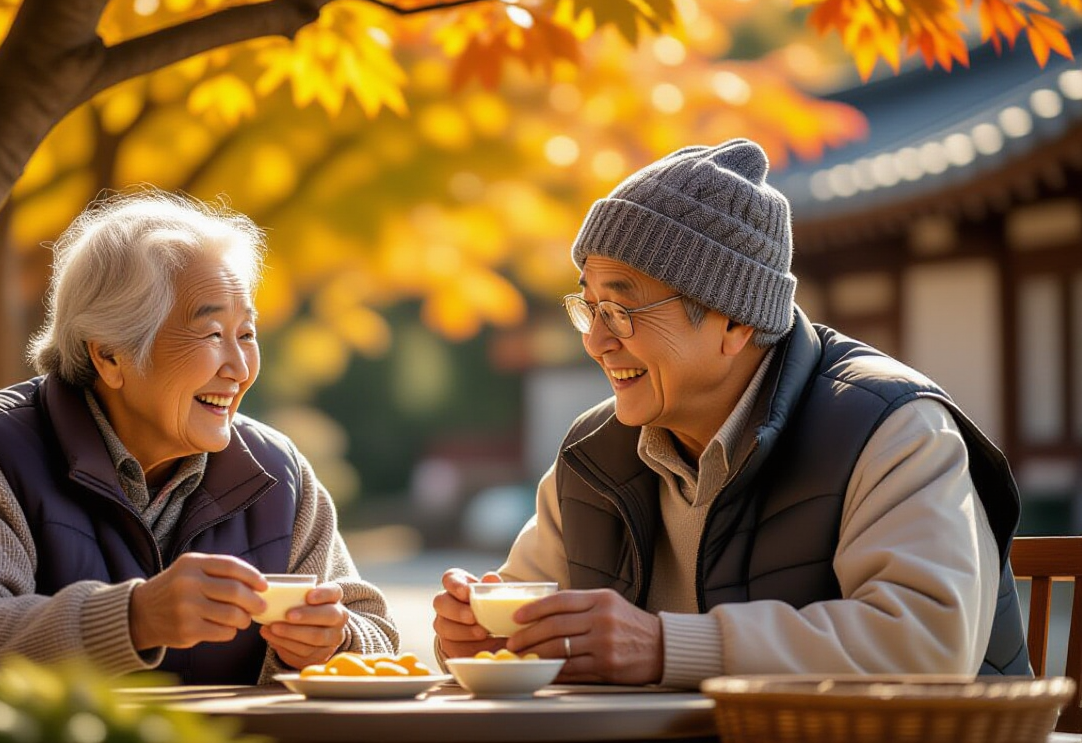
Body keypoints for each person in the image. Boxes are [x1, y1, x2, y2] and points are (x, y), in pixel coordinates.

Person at [433, 138, 1029, 687]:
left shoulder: (888, 428)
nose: (595, 341)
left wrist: (665, 647)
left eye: (620, 310)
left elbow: (926, 643)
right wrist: (481, 635)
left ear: (736, 322)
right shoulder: (595, 452)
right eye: (589, 308)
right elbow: (524, 609)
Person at [0, 190, 398, 684]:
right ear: (109, 355)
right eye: (212, 334)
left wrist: (336, 642)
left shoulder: (276, 471)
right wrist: (134, 618)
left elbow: (377, 632)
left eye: (247, 334)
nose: (239, 368)